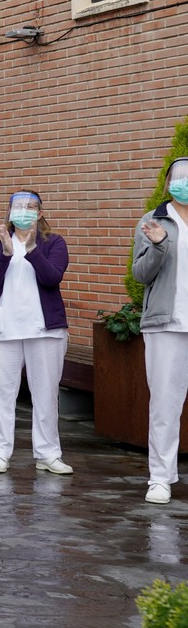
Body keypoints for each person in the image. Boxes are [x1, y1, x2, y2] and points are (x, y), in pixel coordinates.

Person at [0, 191, 72, 476]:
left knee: (46, 393)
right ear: (9, 212)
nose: (23, 211)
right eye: (18, 207)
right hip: (3, 329)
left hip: (44, 329)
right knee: (1, 392)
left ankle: (48, 453)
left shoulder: (53, 242)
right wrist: (6, 255)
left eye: (30, 207)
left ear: (40, 213)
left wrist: (32, 250)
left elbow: (52, 278)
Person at [132, 156, 188, 505]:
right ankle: (160, 478)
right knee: (165, 404)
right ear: (167, 183)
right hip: (167, 324)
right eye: (179, 176)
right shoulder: (153, 220)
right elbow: (140, 274)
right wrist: (159, 244)